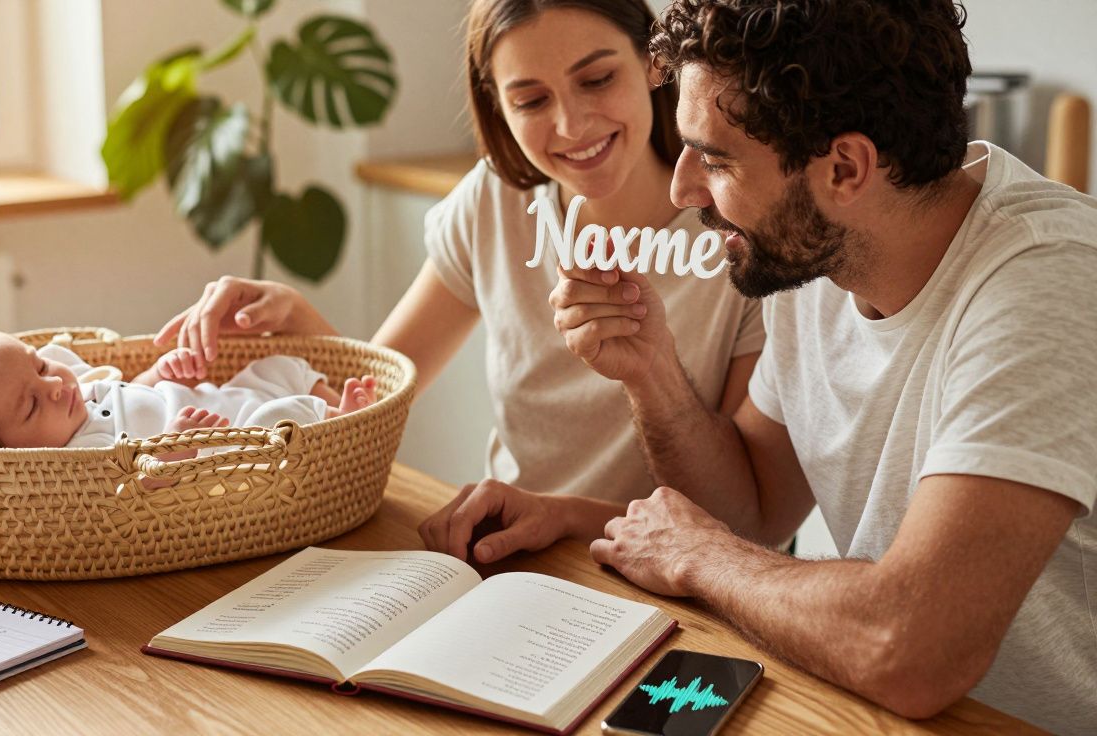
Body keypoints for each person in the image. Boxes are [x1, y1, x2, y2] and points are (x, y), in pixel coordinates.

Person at [424, 0, 1097, 732]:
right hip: (857, 705)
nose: (684, 189)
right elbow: (750, 509)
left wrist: (703, 558)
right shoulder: (819, 254)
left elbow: (908, 646)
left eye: (714, 159)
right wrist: (653, 373)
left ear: (845, 167)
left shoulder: (1047, 284)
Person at [157, 0, 764, 515]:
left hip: (673, 582)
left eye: (597, 79)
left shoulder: (742, 230)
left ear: (655, 63)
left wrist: (564, 518)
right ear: (497, 105)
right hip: (512, 557)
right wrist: (301, 323)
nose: (571, 124)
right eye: (530, 100)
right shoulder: (496, 202)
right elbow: (375, 392)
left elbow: (743, 515)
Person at [0, 330, 376, 450]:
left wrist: (162, 373)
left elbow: (130, 388)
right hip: (231, 435)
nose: (55, 386)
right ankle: (334, 424)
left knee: (278, 365)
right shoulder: (81, 457)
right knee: (280, 421)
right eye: (31, 405)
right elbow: (140, 489)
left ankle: (333, 400)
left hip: (220, 395)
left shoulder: (76, 388)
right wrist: (173, 443)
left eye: (40, 366)